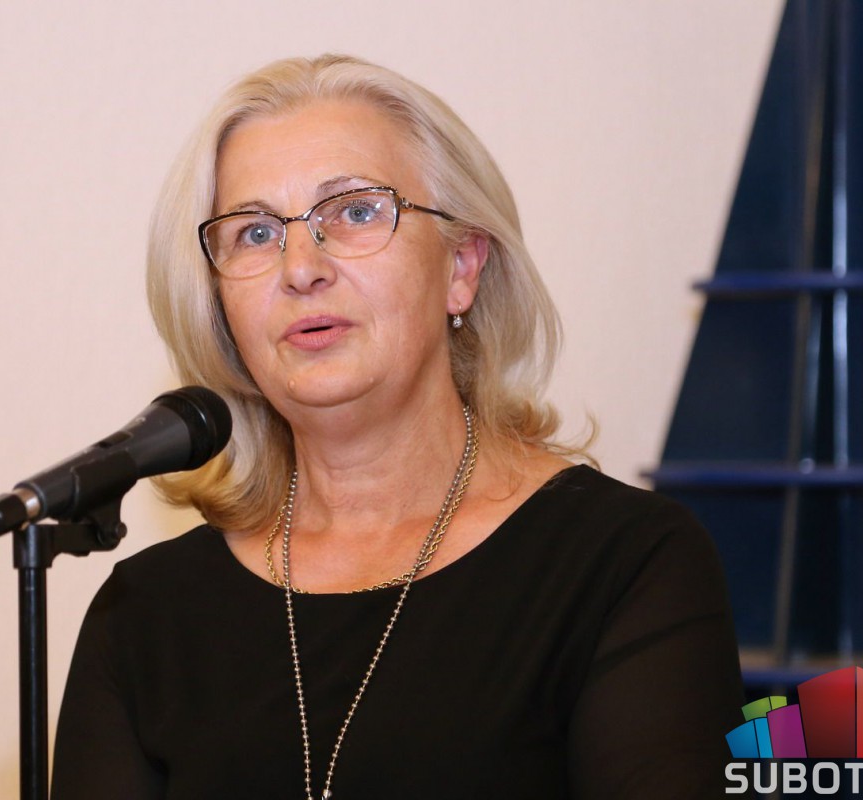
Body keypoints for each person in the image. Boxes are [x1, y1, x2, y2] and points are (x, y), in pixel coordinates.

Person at [51, 54, 743, 799]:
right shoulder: (146, 613)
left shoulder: (624, 564)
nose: (300, 267)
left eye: (354, 212)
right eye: (254, 233)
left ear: (462, 266)